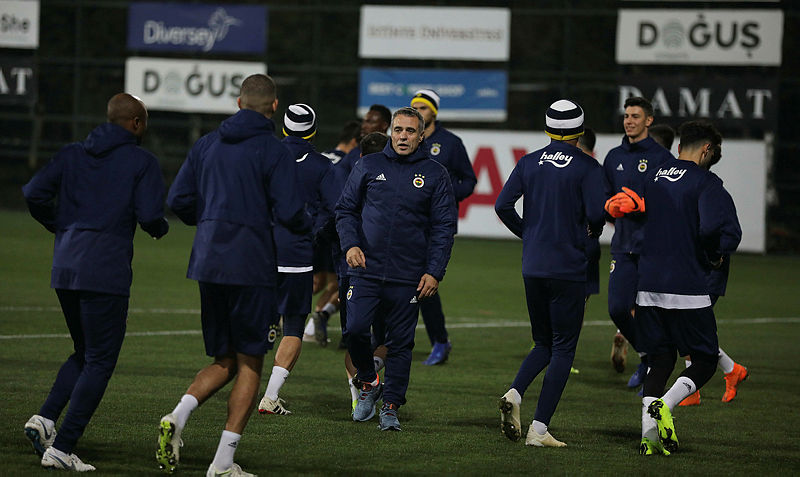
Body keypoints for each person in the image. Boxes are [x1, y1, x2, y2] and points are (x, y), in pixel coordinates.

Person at [160, 74, 310, 477]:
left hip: (208, 262)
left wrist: (212, 221)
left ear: (238, 103)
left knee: (223, 359)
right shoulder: (273, 150)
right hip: (251, 265)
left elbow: (178, 199)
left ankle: (177, 415)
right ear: (274, 107)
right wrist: (307, 227)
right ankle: (223, 462)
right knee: (249, 363)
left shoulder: (207, 143)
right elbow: (291, 212)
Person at [22, 93, 169, 472]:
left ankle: (46, 419)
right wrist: (159, 228)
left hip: (65, 266)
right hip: (104, 271)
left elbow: (33, 192)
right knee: (101, 359)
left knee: (85, 352)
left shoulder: (72, 153)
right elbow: (150, 215)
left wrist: (60, 225)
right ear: (135, 123)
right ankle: (63, 447)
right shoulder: (141, 161)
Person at [612, 120, 741, 455]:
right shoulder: (706, 182)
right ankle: (665, 405)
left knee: (660, 360)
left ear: (680, 146)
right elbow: (717, 229)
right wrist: (713, 254)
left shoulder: (653, 177)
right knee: (705, 359)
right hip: (687, 285)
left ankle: (649, 437)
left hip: (648, 284)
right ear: (707, 149)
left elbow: (634, 216)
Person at [336, 107, 457, 431]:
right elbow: (345, 210)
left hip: (408, 275)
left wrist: (434, 271)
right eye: (398, 130)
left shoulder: (435, 174)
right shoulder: (368, 165)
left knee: (401, 344)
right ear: (391, 132)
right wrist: (351, 245)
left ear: (421, 136)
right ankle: (369, 380)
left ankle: (390, 407)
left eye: (410, 131)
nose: (403, 136)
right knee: (355, 330)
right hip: (365, 269)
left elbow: (444, 227)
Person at [495, 100, 605, 447]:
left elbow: (502, 205)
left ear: (547, 128)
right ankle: (538, 430)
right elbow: (597, 213)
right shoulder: (588, 166)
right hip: (568, 267)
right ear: (580, 131)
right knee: (563, 348)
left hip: (534, 265)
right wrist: (593, 231)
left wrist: (528, 234)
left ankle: (514, 393)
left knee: (543, 342)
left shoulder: (528, 162)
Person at [257, 103, 338, 415]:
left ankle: (242, 386)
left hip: (258, 254)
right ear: (313, 132)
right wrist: (315, 233)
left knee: (253, 322)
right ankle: (270, 396)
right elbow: (336, 209)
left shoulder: (264, 156)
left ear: (284, 128)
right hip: (297, 256)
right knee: (293, 326)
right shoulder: (321, 166)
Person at [304, 106, 392, 343]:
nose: (365, 125)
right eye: (365, 121)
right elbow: (342, 201)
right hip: (347, 234)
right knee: (343, 283)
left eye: (370, 121)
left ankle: (332, 322)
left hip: (371, 237)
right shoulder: (352, 158)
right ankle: (342, 329)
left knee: (339, 284)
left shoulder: (391, 154)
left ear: (384, 125)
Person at [603, 97, 674, 388]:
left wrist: (642, 205)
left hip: (653, 249)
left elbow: (672, 204)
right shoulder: (613, 157)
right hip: (623, 245)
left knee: (651, 314)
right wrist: (608, 207)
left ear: (649, 121)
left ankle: (655, 371)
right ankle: (646, 357)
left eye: (635, 116)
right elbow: (605, 199)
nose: (629, 121)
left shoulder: (662, 159)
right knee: (618, 308)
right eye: (626, 116)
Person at [410, 89, 477, 365]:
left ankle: (439, 341)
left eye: (423, 108)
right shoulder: (408, 139)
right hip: (409, 222)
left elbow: (469, 180)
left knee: (424, 282)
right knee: (407, 281)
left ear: (434, 113)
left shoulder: (450, 143)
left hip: (437, 224)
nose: (417, 112)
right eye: (414, 107)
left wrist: (445, 194)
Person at [338, 131, 390, 409]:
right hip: (383, 270)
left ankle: (359, 395)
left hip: (349, 267)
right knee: (388, 337)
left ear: (360, 156)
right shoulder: (393, 184)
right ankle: (369, 381)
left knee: (354, 335)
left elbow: (338, 215)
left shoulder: (349, 177)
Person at [308, 119, 364, 345]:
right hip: (331, 227)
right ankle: (310, 327)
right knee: (336, 283)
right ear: (355, 142)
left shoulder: (321, 157)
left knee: (316, 281)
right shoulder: (345, 163)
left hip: (311, 225)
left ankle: (284, 313)